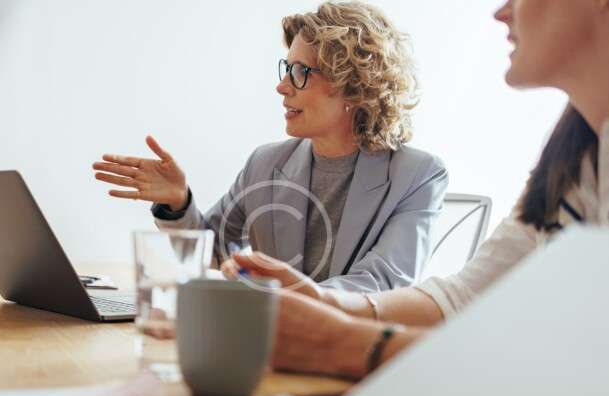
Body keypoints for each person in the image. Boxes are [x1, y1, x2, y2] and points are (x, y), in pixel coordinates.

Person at [231, 0, 609, 379]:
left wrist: (342, 342)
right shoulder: (579, 154)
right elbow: (463, 297)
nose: (501, 12)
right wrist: (324, 302)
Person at [92, 2, 448, 292]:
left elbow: (383, 282)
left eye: (301, 72)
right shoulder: (266, 162)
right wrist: (177, 203)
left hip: (354, 348)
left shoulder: (417, 175)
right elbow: (215, 250)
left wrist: (287, 295)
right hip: (271, 341)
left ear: (354, 85)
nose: (282, 86)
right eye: (286, 68)